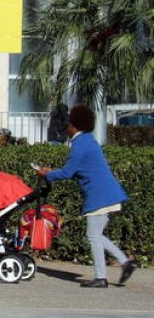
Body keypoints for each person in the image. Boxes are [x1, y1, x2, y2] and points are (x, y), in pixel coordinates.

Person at [36, 104, 137, 288]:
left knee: (93, 236)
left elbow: (67, 172)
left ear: (74, 126)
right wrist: (53, 171)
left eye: (68, 125)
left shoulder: (80, 145)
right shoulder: (88, 140)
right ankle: (125, 263)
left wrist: (47, 174)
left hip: (99, 196)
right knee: (96, 235)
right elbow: (78, 170)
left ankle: (101, 278)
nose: (66, 128)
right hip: (106, 194)